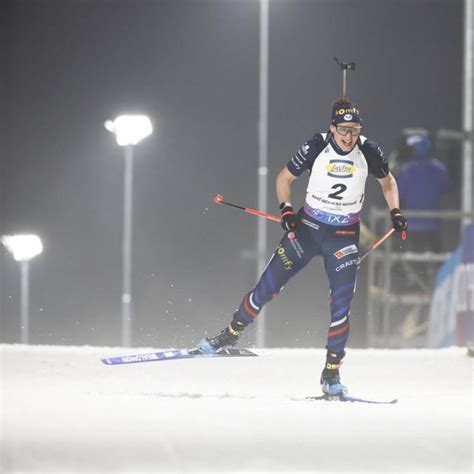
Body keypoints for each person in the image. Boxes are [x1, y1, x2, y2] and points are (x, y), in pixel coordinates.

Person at [197, 98, 407, 396]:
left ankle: (331, 374)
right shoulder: (317, 145)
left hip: (344, 236)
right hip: (307, 229)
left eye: (354, 130)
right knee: (267, 288)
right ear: (332, 127)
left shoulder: (369, 150)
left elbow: (388, 182)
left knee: (341, 306)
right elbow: (284, 178)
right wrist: (285, 209)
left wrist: (395, 213)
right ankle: (229, 335)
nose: (349, 137)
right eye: (343, 130)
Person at [396, 133, 453, 254]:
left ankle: (419, 272)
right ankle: (436, 271)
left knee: (416, 257)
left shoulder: (406, 170)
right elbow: (448, 188)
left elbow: (399, 194)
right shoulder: (440, 169)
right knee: (438, 256)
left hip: (412, 223)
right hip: (433, 223)